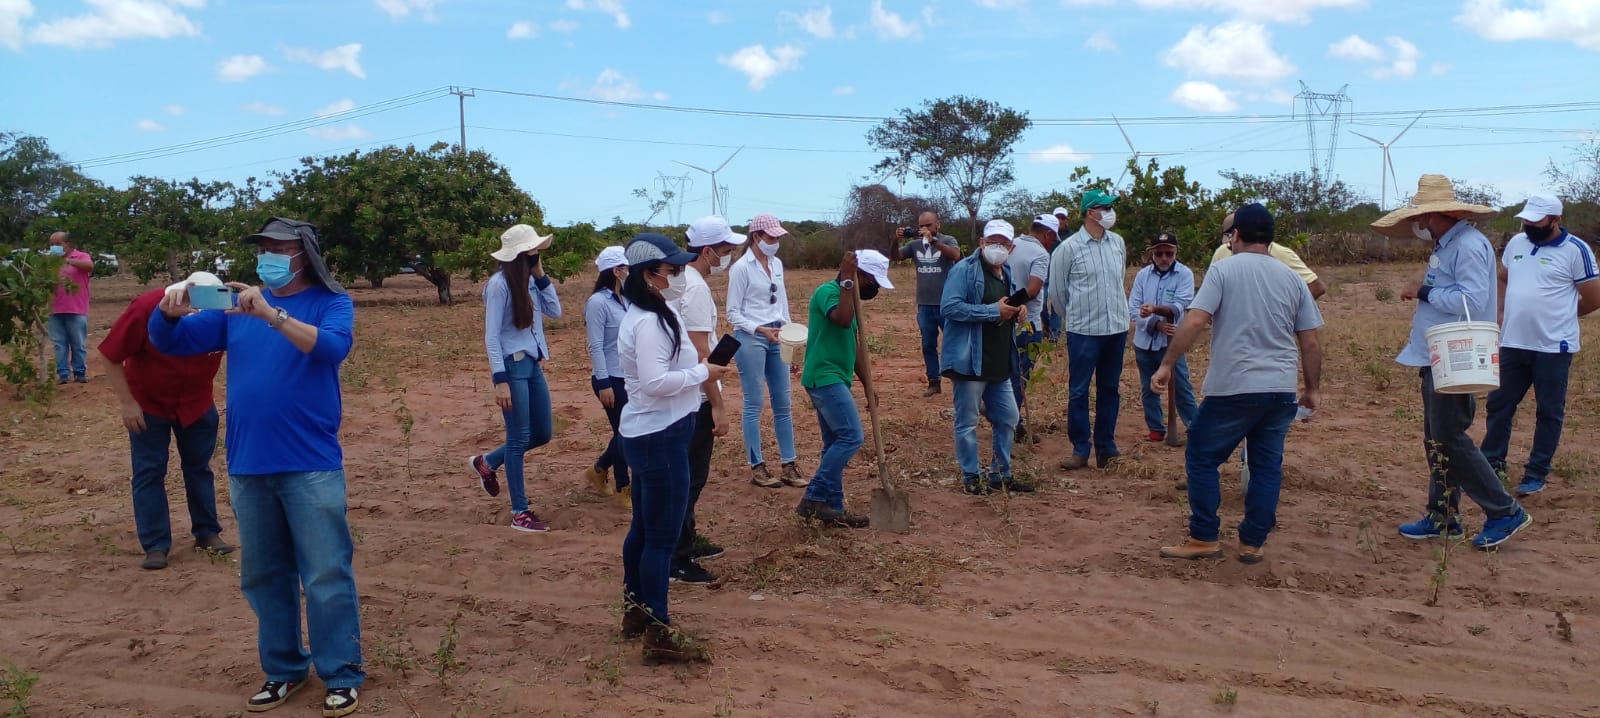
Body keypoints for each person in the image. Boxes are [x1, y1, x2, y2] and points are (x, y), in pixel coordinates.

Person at [149, 218, 363, 717]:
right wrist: (168, 314)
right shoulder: (233, 306)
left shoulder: (332, 303)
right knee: (265, 575)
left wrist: (272, 313)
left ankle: (342, 673)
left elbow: (332, 348)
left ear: (304, 254)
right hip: (249, 463)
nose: (269, 255)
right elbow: (173, 342)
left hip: (310, 463)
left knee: (326, 574)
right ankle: (284, 670)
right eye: (264, 247)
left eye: (279, 247)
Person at [1154, 204, 1323, 563]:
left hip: (1233, 386)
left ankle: (1204, 537)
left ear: (1236, 236)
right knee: (1266, 466)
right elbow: (1309, 341)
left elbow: (1196, 321)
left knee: (1201, 457)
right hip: (1279, 390)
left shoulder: (1223, 271)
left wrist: (1168, 363)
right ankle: (1252, 543)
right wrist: (1311, 389)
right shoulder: (1292, 278)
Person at [1376, 174, 1533, 549]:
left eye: (1424, 217)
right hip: (1437, 352)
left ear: (1441, 213)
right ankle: (1443, 516)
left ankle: (1503, 510)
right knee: (1437, 438)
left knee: (1449, 436)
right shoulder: (1450, 246)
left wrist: (1424, 290)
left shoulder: (1467, 246)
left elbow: (1470, 299)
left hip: (1456, 353)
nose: (1421, 225)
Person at [614, 233, 729, 664]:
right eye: (672, 269)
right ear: (650, 275)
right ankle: (658, 631)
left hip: (657, 432)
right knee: (660, 537)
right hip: (659, 436)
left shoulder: (656, 313)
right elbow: (653, 382)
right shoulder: (647, 323)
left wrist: (699, 370)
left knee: (644, 529)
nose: (679, 275)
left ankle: (636, 612)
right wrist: (702, 373)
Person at [97, 272, 232, 570]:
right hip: (149, 405)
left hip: (196, 403)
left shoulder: (224, 312)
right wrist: (127, 403)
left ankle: (207, 533)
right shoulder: (147, 307)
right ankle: (156, 545)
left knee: (199, 468)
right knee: (149, 471)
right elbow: (110, 354)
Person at [1481, 194, 1600, 496]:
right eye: (1526, 220)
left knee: (1548, 412)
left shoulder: (1577, 250)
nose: (1529, 225)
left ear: (1555, 220)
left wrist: (1561, 318)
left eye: (1536, 221)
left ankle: (1536, 473)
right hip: (1513, 342)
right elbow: (1504, 278)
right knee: (1499, 404)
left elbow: (1593, 296)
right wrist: (1500, 311)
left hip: (1553, 347)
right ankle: (1492, 464)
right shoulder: (1517, 244)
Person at [466, 224, 562, 533]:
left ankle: (488, 462)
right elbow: (491, 336)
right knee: (519, 438)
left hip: (533, 363)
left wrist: (541, 275)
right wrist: (500, 379)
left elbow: (556, 311)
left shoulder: (530, 282)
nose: (537, 255)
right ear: (521, 254)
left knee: (543, 432)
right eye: (533, 251)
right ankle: (520, 511)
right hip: (512, 366)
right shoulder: (499, 285)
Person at [670, 215, 747, 585]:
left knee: (685, 477)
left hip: (681, 395)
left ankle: (685, 538)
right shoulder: (696, 288)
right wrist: (716, 403)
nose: (728, 257)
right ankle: (678, 557)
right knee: (691, 478)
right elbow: (702, 352)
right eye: (726, 251)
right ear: (707, 251)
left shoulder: (678, 281)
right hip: (696, 398)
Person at [798, 248, 893, 527]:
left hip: (836, 377)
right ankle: (814, 497)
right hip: (823, 377)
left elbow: (856, 349)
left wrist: (867, 385)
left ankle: (834, 507)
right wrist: (847, 281)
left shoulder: (851, 301)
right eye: (873, 282)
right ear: (860, 274)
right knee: (851, 436)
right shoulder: (829, 292)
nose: (874, 289)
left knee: (833, 444)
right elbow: (841, 319)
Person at [941, 220, 1029, 495]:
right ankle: (971, 476)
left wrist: (1018, 311)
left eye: (1003, 243)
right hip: (970, 360)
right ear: (982, 243)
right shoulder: (963, 271)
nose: (997, 247)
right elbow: (950, 307)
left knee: (1008, 418)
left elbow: (1004, 307)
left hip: (999, 361)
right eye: (993, 242)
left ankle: (1000, 473)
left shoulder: (1007, 272)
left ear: (1011, 247)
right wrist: (991, 311)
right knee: (967, 421)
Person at [1047, 188, 1129, 469]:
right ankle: (1081, 448)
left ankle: (1106, 447)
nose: (1109, 213)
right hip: (1083, 331)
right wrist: (1075, 318)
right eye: (1104, 208)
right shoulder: (1068, 249)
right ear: (1090, 212)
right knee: (1079, 391)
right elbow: (1057, 293)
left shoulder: (1117, 243)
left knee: (1110, 389)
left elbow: (1118, 280)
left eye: (1110, 208)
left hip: (1116, 327)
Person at [726, 213, 805, 488]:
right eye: (771, 237)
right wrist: (760, 330)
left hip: (777, 335)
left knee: (783, 403)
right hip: (752, 336)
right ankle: (757, 465)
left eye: (778, 237)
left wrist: (791, 342)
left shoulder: (777, 264)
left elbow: (782, 307)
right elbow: (733, 313)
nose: (775, 242)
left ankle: (789, 464)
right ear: (756, 236)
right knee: (754, 402)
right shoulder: (741, 268)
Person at [1129, 231, 1199, 444]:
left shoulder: (1184, 275)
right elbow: (1133, 308)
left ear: (1175, 252)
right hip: (1144, 342)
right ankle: (1156, 429)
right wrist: (1154, 323)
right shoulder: (1143, 276)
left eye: (1169, 253)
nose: (1164, 258)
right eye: (1159, 254)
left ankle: (1196, 430)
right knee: (1148, 388)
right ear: (1152, 254)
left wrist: (1156, 310)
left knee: (1181, 387)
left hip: (1171, 345)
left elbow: (1181, 305)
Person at [583, 246, 633, 510]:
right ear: (616, 271)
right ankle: (623, 486)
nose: (629, 272)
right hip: (611, 377)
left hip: (630, 376)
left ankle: (600, 468)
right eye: (626, 268)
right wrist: (603, 382)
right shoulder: (598, 303)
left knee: (626, 431)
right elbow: (596, 345)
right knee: (625, 432)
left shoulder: (627, 299)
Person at [898, 210, 962, 397]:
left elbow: (956, 255)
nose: (924, 229)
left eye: (928, 225)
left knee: (953, 343)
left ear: (938, 224)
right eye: (921, 226)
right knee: (928, 344)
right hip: (925, 304)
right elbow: (896, 256)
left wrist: (934, 241)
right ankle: (934, 381)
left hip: (947, 303)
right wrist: (895, 240)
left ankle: (960, 381)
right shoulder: (915, 244)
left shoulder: (947, 240)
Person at [1007, 215, 1051, 443]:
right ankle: (1011, 423)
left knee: (1008, 373)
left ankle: (1010, 421)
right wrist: (1012, 307)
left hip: (1003, 322)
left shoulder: (1010, 243)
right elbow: (1032, 290)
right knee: (1021, 377)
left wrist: (1002, 308)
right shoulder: (1041, 254)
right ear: (1048, 235)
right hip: (1027, 323)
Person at [47, 231, 95, 384]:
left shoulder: (81, 256)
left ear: (67, 244)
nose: (54, 247)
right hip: (55, 309)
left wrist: (68, 261)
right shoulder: (50, 262)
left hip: (76, 309)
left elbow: (89, 267)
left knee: (78, 343)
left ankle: (80, 373)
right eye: (52, 244)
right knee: (59, 344)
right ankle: (63, 375)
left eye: (58, 244)